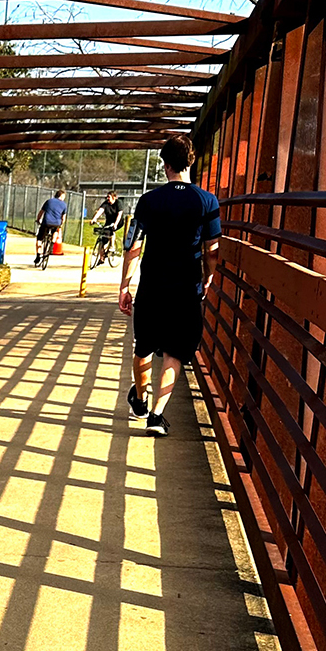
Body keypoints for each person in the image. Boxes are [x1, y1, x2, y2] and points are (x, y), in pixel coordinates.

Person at [117, 137, 221, 438]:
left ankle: (139, 396)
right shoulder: (207, 201)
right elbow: (212, 248)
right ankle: (157, 415)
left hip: (151, 285)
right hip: (186, 288)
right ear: (189, 163)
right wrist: (208, 276)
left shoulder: (149, 201)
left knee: (144, 346)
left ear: (166, 165)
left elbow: (133, 246)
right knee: (175, 352)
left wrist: (125, 286)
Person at [32, 189, 68, 269]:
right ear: (61, 196)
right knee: (55, 230)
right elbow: (63, 217)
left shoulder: (48, 201)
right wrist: (61, 224)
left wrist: (38, 220)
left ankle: (38, 255)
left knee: (39, 239)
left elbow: (41, 212)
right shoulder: (64, 205)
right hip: (56, 223)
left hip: (46, 222)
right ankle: (52, 244)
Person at [90, 191, 123, 267]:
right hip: (109, 222)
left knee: (112, 231)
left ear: (114, 197)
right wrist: (94, 219)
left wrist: (115, 224)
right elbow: (100, 211)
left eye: (109, 197)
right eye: (107, 197)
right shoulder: (105, 204)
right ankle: (102, 258)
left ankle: (112, 247)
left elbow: (119, 214)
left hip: (118, 221)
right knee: (103, 238)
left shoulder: (118, 203)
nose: (107, 198)